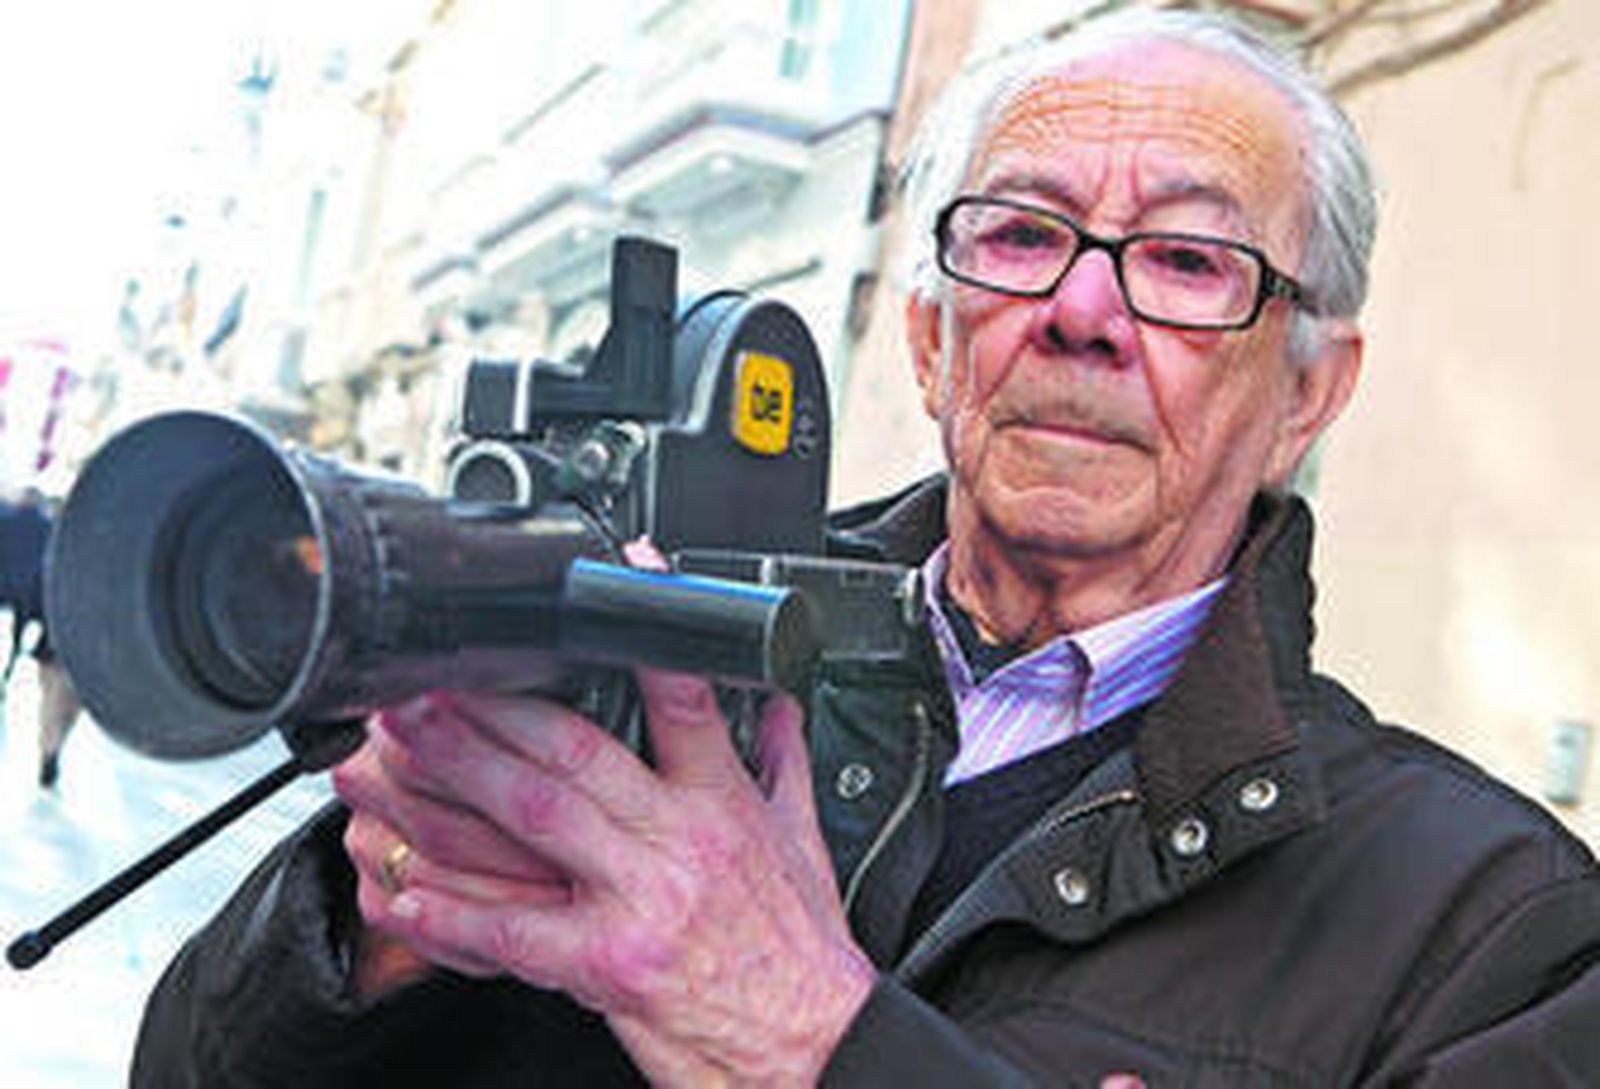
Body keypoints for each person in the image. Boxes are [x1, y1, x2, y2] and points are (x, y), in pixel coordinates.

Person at [129, 9, 1600, 1086]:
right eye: (1020, 236)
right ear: (930, 337)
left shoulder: (1491, 934)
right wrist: (373, 937)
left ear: (1305, 394)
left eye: (1187, 261)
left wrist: (815, 1042)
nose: (1083, 311)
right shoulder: (638, 659)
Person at [0, 489, 82, 789]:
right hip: (69, 640)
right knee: (63, 700)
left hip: (64, 639)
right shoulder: (56, 538)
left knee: (58, 701)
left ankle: (50, 749)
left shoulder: (54, 539)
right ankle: (51, 750)